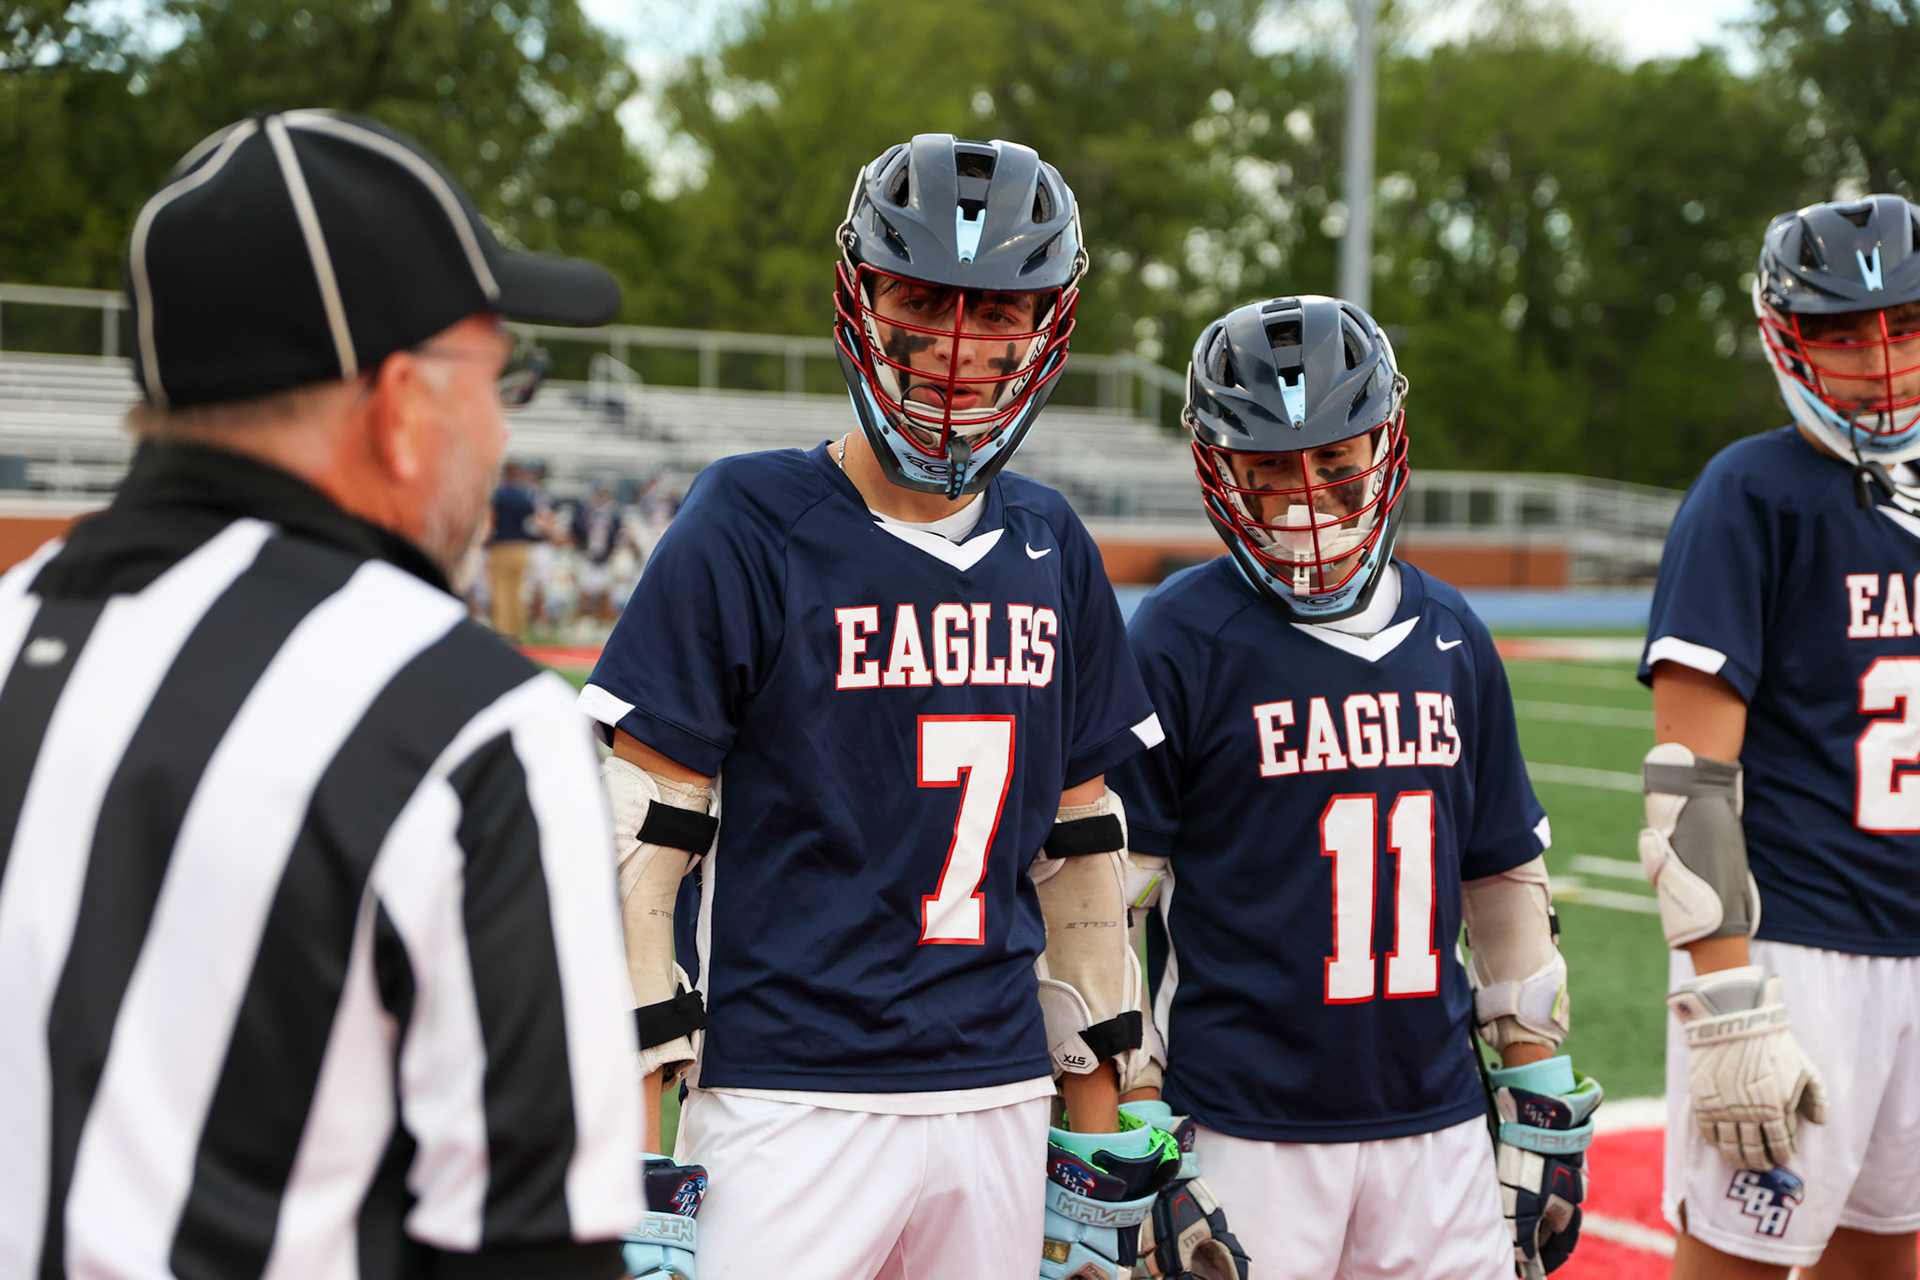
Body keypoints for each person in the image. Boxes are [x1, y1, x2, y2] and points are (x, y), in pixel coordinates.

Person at [0, 110, 654, 1279]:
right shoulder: (470, 722)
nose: (501, 427)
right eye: (500, 378)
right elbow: (533, 1247)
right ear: (401, 406)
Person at [577, 133, 1178, 1280]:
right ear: (862, 299)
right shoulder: (748, 518)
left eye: (996, 309)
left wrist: (1101, 1139)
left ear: (1045, 326)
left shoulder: (1051, 541)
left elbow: (1083, 867)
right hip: (787, 1098)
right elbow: (642, 853)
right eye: (923, 298)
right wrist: (636, 1164)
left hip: (1001, 1090)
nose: (957, 342)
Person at [1108, 295, 1601, 1280]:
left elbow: (1502, 880)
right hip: (1244, 1126)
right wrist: (1136, 1113)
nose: (1305, 495)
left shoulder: (1451, 633)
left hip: (1439, 1123)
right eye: (1270, 469)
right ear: (1220, 469)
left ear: (1384, 445)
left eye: (1334, 459)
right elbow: (1106, 905)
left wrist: (1537, 1087)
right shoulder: (1180, 636)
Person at [1639, 193, 1920, 1280]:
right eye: (1842, 331)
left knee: (1888, 1258)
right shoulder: (1751, 492)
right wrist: (1727, 1001)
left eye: (1903, 322)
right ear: (1785, 337)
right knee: (1739, 1262)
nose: (1879, 357)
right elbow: (1689, 781)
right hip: (1800, 951)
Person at [487, 461, 541, 640]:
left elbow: (491, 518)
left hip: (501, 546)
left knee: (501, 590)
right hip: (521, 546)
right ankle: (517, 630)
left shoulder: (498, 494)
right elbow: (531, 520)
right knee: (517, 591)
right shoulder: (524, 495)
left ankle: (503, 631)